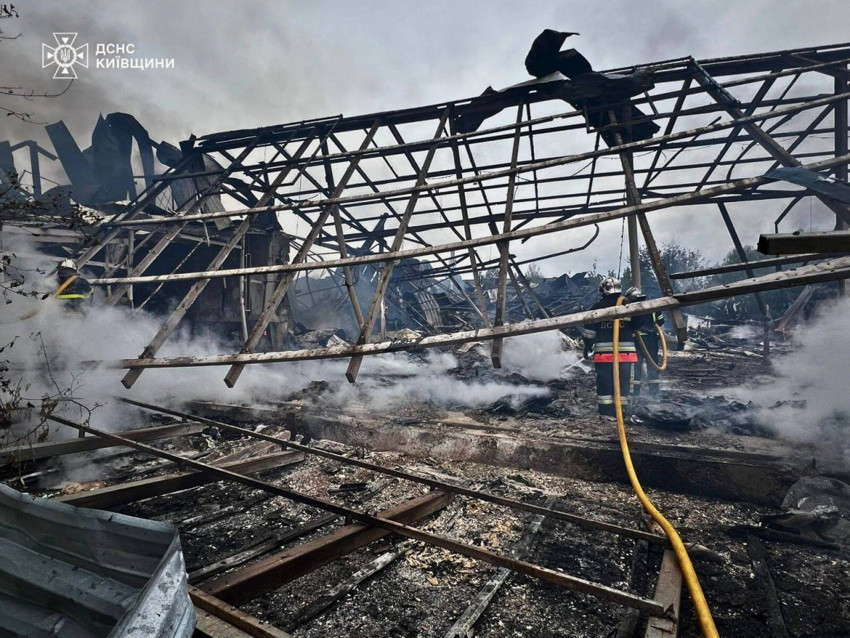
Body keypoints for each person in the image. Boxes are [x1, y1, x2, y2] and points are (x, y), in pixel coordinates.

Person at [583, 277, 648, 417]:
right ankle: (621, 413)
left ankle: (607, 413)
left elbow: (589, 332)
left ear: (603, 290)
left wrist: (587, 346)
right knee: (623, 384)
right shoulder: (627, 305)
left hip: (604, 355)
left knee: (605, 384)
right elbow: (638, 325)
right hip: (625, 355)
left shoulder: (596, 308)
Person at [624, 287, 665, 397]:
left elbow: (628, 325)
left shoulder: (630, 307)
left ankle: (634, 394)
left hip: (637, 341)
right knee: (653, 366)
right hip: (652, 340)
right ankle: (654, 394)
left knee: (635, 367)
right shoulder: (653, 305)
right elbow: (660, 321)